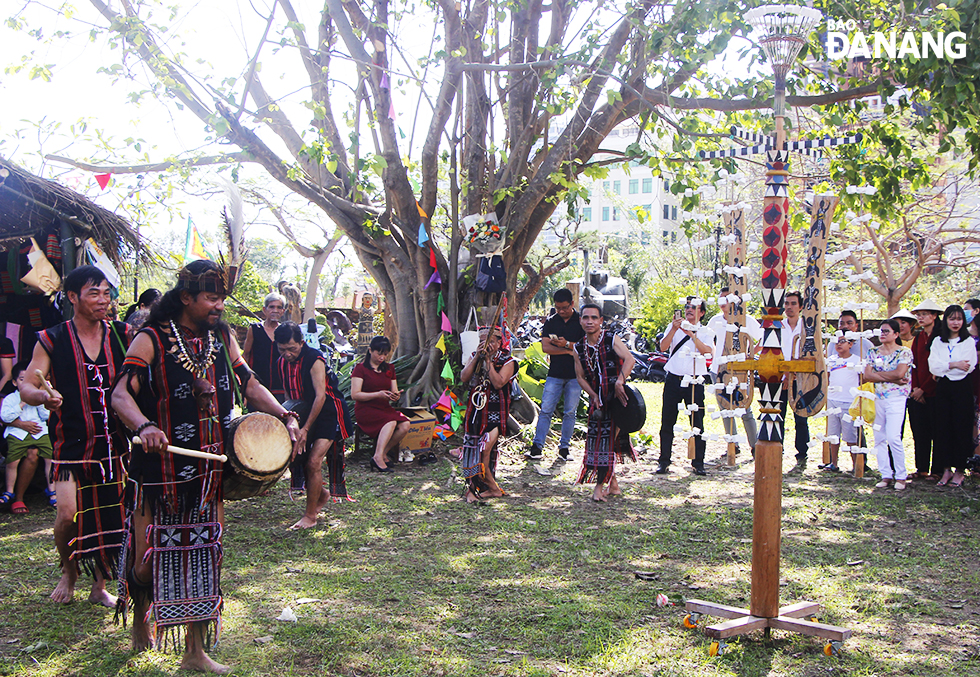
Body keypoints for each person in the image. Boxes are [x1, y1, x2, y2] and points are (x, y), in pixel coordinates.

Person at [111, 259, 299, 672]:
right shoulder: (151, 339)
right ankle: (139, 604)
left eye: (221, 298)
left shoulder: (221, 337)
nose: (218, 305)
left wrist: (285, 416)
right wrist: (144, 425)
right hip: (157, 470)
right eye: (211, 298)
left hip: (207, 467)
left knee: (204, 554)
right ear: (186, 298)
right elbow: (121, 396)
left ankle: (194, 652)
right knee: (147, 561)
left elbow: (248, 382)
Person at [18, 265, 129, 607]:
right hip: (70, 444)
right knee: (68, 514)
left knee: (113, 516)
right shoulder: (53, 338)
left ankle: (100, 586)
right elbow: (26, 385)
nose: (102, 301)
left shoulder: (122, 335)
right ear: (72, 297)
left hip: (114, 443)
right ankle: (69, 571)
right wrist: (42, 397)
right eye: (94, 293)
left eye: (106, 293)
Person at [275, 321, 353, 529]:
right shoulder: (282, 362)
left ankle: (310, 517)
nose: (287, 354)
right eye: (282, 350)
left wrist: (306, 428)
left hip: (329, 413)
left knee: (313, 462)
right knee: (299, 458)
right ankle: (322, 494)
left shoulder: (314, 358)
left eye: (291, 349)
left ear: (301, 343)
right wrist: (293, 420)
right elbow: (290, 396)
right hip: (304, 413)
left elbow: (320, 397)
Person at [574, 303, 636, 500]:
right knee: (599, 440)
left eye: (594, 317)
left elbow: (629, 359)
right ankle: (614, 485)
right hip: (598, 401)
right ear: (581, 321)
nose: (589, 321)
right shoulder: (578, 347)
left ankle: (599, 488)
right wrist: (593, 395)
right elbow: (580, 377)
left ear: (601, 321)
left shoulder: (610, 338)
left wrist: (620, 380)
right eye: (585, 317)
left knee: (606, 442)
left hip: (617, 399)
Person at [243, 292, 299, 491]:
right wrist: (244, 384)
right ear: (265, 309)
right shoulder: (255, 329)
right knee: (256, 430)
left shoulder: (286, 332)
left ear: (283, 311)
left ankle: (276, 472)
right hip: (257, 388)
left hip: (281, 389)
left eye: (278, 308)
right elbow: (245, 356)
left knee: (279, 431)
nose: (275, 311)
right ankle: (255, 474)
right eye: (271, 307)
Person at [460, 325, 517, 503]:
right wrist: (477, 356)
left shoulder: (509, 362)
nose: (487, 345)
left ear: (500, 342)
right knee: (472, 450)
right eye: (483, 341)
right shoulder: (474, 357)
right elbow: (464, 377)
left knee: (485, 451)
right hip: (475, 412)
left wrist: (488, 362)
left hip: (494, 414)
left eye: (491, 341)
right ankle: (475, 488)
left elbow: (499, 383)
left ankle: (490, 487)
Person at [657, 297, 714, 476]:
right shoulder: (673, 326)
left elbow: (707, 350)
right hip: (673, 378)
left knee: (697, 422)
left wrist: (691, 334)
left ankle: (698, 462)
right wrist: (675, 329)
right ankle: (664, 461)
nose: (689, 310)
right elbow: (663, 347)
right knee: (667, 421)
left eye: (694, 308)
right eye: (687, 307)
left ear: (702, 313)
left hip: (694, 380)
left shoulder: (705, 331)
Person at [527, 288, 585, 461]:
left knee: (570, 412)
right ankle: (537, 447)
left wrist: (566, 344)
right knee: (545, 410)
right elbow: (545, 347)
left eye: (565, 308)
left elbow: (584, 348)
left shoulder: (581, 321)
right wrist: (568, 351)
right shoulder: (551, 321)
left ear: (572, 304)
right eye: (558, 308)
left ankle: (564, 448)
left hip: (576, 375)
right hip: (555, 373)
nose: (561, 311)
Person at [707, 286, 760, 458]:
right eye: (720, 299)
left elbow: (763, 337)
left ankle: (755, 446)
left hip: (740, 371)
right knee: (725, 407)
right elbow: (707, 339)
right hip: (719, 370)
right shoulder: (715, 320)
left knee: (744, 407)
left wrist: (750, 355)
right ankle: (733, 444)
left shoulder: (746, 319)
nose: (723, 303)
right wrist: (715, 356)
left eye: (726, 298)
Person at [928, 304, 978, 487]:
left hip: (962, 387)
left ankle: (959, 471)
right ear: (946, 320)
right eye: (952, 319)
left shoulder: (968, 342)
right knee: (943, 427)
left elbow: (968, 366)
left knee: (961, 427)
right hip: (944, 386)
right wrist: (953, 364)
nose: (955, 323)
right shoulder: (938, 342)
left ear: (963, 321)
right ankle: (946, 469)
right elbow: (934, 366)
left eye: (958, 319)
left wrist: (948, 365)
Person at [1, 361, 56, 513]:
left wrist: (39, 399)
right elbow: (5, 417)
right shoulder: (11, 399)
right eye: (21, 380)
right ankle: (10, 492)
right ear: (14, 382)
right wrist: (24, 401)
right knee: (13, 459)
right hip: (17, 434)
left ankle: (52, 490)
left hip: (39, 433)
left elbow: (46, 415)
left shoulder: (39, 396)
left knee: (50, 457)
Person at [864, 319, 913, 490]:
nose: (882, 334)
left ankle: (901, 475)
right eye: (881, 331)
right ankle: (886, 474)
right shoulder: (872, 352)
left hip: (897, 397)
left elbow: (900, 372)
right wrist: (892, 377)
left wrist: (882, 375)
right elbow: (867, 376)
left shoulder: (904, 352)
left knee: (893, 437)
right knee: (879, 437)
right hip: (878, 398)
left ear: (896, 334)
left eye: (886, 331)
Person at [351, 336, 410, 472]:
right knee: (390, 422)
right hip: (365, 409)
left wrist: (395, 395)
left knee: (405, 425)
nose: (382, 357)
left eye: (385, 354)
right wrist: (377, 394)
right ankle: (377, 457)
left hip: (384, 408)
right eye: (379, 353)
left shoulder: (390, 368)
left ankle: (383, 452)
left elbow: (393, 390)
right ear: (370, 350)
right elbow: (355, 394)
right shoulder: (360, 369)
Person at [909, 299, 943, 479]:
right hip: (917, 391)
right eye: (918, 315)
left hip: (937, 391)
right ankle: (921, 468)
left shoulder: (942, 336)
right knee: (919, 431)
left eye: (924, 314)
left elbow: (940, 367)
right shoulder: (918, 337)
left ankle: (937, 470)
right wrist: (915, 388)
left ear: (934, 315)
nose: (920, 318)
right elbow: (913, 364)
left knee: (938, 431)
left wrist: (924, 388)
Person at [818, 335, 861, 473]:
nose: (838, 344)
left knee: (850, 436)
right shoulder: (831, 360)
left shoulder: (857, 361)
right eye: (836, 342)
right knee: (833, 434)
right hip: (832, 400)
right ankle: (833, 463)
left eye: (842, 342)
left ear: (850, 344)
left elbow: (862, 379)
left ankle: (856, 465)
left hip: (849, 401)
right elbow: (827, 379)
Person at [780, 291, 810, 465]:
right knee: (779, 413)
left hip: (800, 377)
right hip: (780, 377)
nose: (789, 307)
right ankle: (778, 447)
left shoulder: (807, 327)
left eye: (793, 303)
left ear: (800, 306)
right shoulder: (778, 325)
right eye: (787, 304)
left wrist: (792, 374)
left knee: (800, 415)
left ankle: (802, 452)